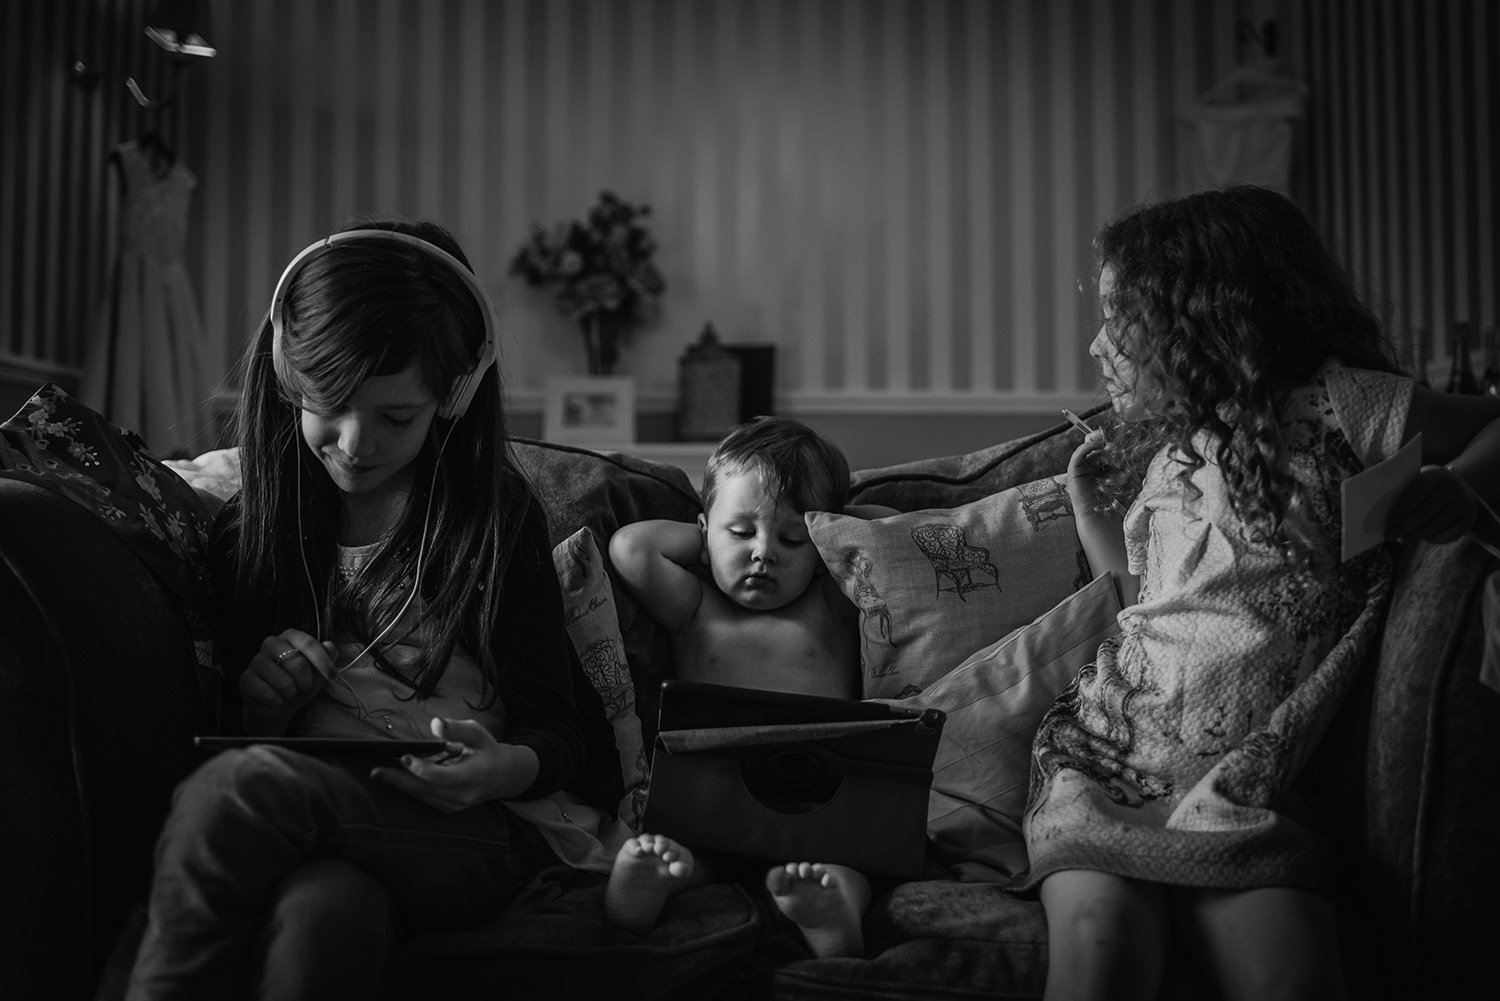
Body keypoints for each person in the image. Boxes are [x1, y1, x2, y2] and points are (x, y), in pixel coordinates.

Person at [1013, 184, 1500, 1001]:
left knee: (1290, 977)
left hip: (1247, 786)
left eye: (1116, 315)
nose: (1097, 345)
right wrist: (1095, 514)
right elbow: (1145, 603)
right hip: (1104, 758)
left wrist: (1460, 484)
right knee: (1100, 956)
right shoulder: (1164, 452)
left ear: (1196, 314)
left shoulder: (1341, 406)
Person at [126, 219, 621, 1000]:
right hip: (333, 820)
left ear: (453, 396)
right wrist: (263, 704)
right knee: (324, 910)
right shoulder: (252, 531)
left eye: (396, 417)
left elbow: (566, 734)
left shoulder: (490, 517)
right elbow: (239, 729)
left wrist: (500, 770)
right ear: (290, 378)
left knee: (241, 789)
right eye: (331, 406)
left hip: (489, 830)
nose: (357, 444)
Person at [602, 416, 894, 958]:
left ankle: (832, 913)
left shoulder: (829, 605)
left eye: (791, 538)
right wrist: (711, 539)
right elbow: (630, 548)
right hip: (712, 794)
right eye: (741, 532)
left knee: (846, 869)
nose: (764, 552)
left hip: (817, 800)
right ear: (704, 530)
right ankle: (653, 883)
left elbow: (893, 537)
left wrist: (832, 529)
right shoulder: (695, 608)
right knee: (666, 850)